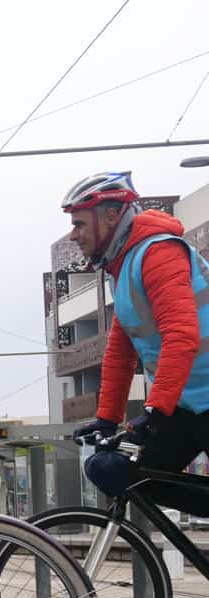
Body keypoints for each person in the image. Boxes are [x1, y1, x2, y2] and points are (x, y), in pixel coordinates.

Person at [65, 172, 209, 498]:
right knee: (118, 472)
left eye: (79, 224)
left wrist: (153, 410)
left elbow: (182, 335)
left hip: (194, 401)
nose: (74, 235)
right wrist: (106, 419)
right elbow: (119, 353)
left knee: (134, 474)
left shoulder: (158, 252)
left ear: (112, 216)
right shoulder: (124, 266)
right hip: (185, 406)